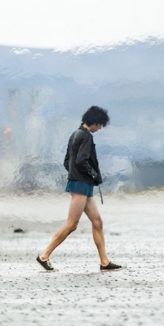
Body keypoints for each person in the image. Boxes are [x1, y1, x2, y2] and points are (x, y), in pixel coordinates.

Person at [36, 105, 122, 272]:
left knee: (97, 222)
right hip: (81, 185)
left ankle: (104, 262)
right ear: (95, 122)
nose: (100, 129)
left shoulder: (75, 134)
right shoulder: (85, 136)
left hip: (82, 183)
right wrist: (93, 175)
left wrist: (78, 175)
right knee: (72, 224)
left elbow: (67, 161)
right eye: (100, 125)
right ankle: (44, 255)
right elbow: (81, 161)